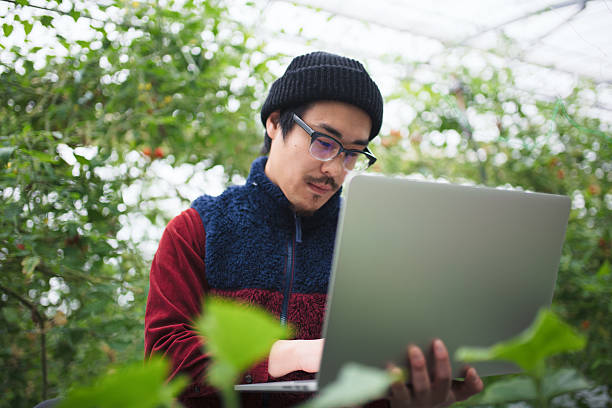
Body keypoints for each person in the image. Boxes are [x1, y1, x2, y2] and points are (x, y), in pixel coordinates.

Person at [144, 51, 484, 408]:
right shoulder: (198, 230)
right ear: (274, 123)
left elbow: (377, 376)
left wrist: (412, 400)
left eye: (353, 154)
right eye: (325, 143)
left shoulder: (371, 245)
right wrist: (292, 355)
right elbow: (165, 360)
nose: (335, 170)